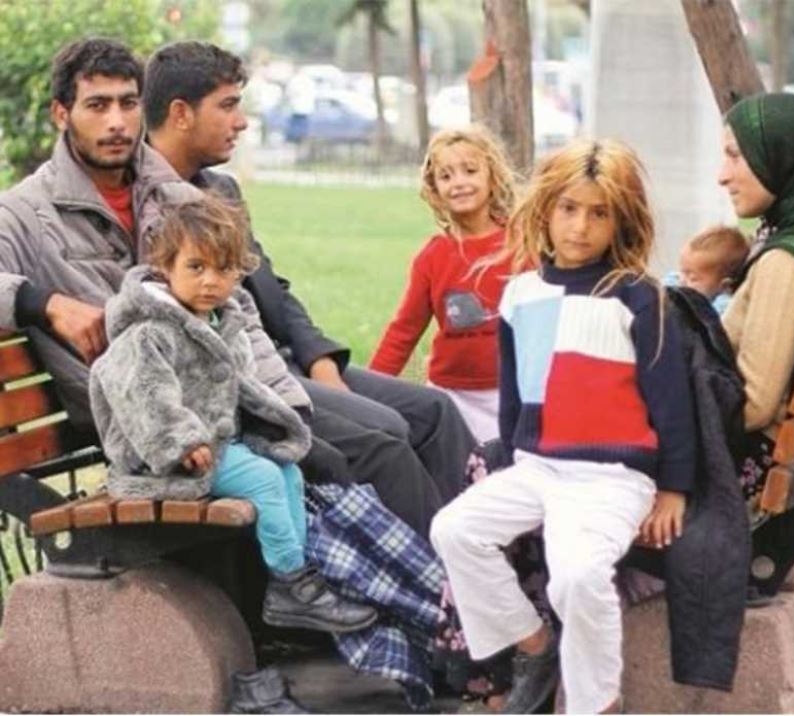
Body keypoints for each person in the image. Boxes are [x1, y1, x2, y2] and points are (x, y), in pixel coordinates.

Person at [143, 41, 476, 538]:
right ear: (180, 114)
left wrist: (319, 357)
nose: (242, 122)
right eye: (228, 106)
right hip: (243, 384)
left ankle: (492, 552)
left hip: (286, 360)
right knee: (386, 434)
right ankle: (442, 577)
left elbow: (270, 287)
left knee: (434, 411)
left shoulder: (220, 190)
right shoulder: (145, 203)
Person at [430, 138, 696, 714]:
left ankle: (597, 703)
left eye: (599, 213)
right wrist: (507, 462)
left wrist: (674, 488)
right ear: (545, 209)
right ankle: (535, 645)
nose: (580, 227)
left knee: (577, 577)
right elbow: (514, 396)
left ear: (620, 220)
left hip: (612, 477)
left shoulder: (637, 297)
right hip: (536, 469)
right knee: (454, 529)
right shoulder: (520, 294)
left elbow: (671, 401)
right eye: (569, 208)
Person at [90, 194, 377, 634]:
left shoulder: (220, 321)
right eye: (196, 267)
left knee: (287, 472)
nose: (210, 281)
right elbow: (144, 394)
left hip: (219, 445)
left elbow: (244, 383)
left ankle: (298, 578)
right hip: (164, 459)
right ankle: (290, 584)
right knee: (263, 480)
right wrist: (182, 441)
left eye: (223, 270)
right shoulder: (149, 332)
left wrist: (276, 418)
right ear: (165, 267)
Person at [0, 38, 198, 432]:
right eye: (97, 105)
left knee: (323, 442)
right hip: (148, 430)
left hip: (217, 400)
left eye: (128, 103)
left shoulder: (179, 199)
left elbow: (243, 319)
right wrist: (47, 304)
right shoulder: (25, 213)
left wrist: (287, 405)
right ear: (61, 114)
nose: (117, 122)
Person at [368, 126, 515, 443]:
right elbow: (403, 332)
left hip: (515, 392)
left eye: (470, 171)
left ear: (493, 177)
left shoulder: (523, 245)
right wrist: (368, 391)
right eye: (446, 176)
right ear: (434, 190)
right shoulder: (432, 257)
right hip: (452, 396)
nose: (459, 183)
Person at [718, 92, 794, 523]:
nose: (722, 175)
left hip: (748, 474)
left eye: (735, 156)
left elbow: (756, 403)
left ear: (780, 156)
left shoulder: (784, 261)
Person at [664, 224, 749, 314]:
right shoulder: (678, 282)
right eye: (683, 272)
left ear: (724, 286)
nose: (682, 281)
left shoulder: (723, 307)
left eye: (693, 279)